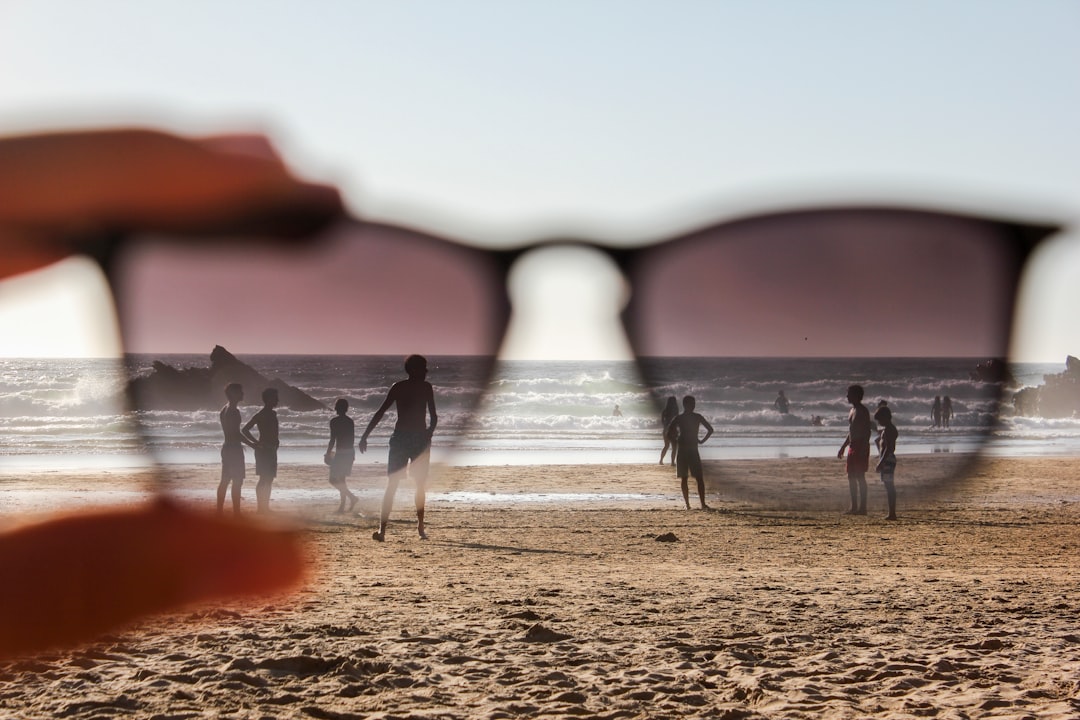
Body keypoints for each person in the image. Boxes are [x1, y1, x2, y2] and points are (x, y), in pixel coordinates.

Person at [0, 127, 342, 658]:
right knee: (239, 486)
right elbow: (244, 426)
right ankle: (236, 518)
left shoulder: (237, 404)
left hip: (246, 450)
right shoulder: (238, 408)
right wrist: (250, 439)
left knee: (246, 487)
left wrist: (250, 438)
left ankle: (241, 515)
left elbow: (245, 423)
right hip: (240, 450)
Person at [360, 354, 438, 541]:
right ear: (413, 370)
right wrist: (365, 435)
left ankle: (420, 527)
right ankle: (382, 530)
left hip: (417, 439)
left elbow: (434, 416)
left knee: (418, 484)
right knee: (393, 483)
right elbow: (381, 412)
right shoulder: (399, 387)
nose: (426, 371)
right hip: (403, 439)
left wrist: (429, 432)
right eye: (423, 368)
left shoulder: (425, 388)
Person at [666, 395, 714, 510]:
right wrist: (701, 441)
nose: (693, 406)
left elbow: (669, 432)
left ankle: (692, 504)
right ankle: (694, 504)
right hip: (691, 449)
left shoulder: (680, 418)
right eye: (691, 404)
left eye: (693, 404)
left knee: (690, 478)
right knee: (695, 478)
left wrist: (675, 440)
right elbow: (710, 430)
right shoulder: (696, 417)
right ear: (686, 405)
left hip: (684, 448)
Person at [217, 382, 255, 515]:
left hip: (227, 447)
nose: (243, 393)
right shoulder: (233, 411)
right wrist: (253, 445)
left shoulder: (224, 409)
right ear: (233, 393)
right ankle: (236, 513)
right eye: (240, 391)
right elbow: (236, 433)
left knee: (225, 480)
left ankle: (219, 511)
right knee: (237, 481)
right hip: (234, 449)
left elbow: (232, 433)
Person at [243, 388, 280, 514]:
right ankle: (260, 508)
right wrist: (256, 443)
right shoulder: (261, 414)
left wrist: (277, 441)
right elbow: (245, 430)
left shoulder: (273, 414)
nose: (277, 400)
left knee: (269, 479)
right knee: (263, 478)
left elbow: (274, 431)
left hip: (272, 449)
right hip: (263, 450)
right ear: (269, 399)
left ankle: (266, 507)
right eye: (275, 397)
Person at [837, 384, 872, 515]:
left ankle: (863, 508)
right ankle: (854, 506)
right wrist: (843, 447)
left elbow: (866, 431)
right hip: (853, 445)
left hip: (861, 445)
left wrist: (863, 448)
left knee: (860, 476)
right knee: (851, 475)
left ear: (856, 395)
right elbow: (852, 431)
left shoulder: (863, 411)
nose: (847, 396)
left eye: (849, 394)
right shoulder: (852, 410)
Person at [325, 398, 358, 514]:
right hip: (348, 452)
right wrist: (351, 455)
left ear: (337, 408)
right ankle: (346, 503)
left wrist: (328, 453)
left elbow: (332, 440)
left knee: (333, 479)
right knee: (341, 480)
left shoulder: (334, 422)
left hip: (341, 453)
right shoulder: (350, 421)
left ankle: (348, 501)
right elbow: (351, 439)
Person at [874, 405, 899, 520]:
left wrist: (881, 462)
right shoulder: (888, 429)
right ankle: (891, 512)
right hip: (887, 458)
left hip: (888, 459)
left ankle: (892, 513)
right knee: (888, 485)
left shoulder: (889, 430)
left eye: (880, 420)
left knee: (889, 486)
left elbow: (889, 448)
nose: (879, 422)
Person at [659, 396, 679, 466]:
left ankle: (661, 460)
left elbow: (662, 421)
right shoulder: (676, 411)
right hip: (673, 431)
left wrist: (666, 427)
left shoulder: (664, 411)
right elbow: (677, 421)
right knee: (674, 447)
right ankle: (672, 462)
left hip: (665, 430)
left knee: (666, 446)